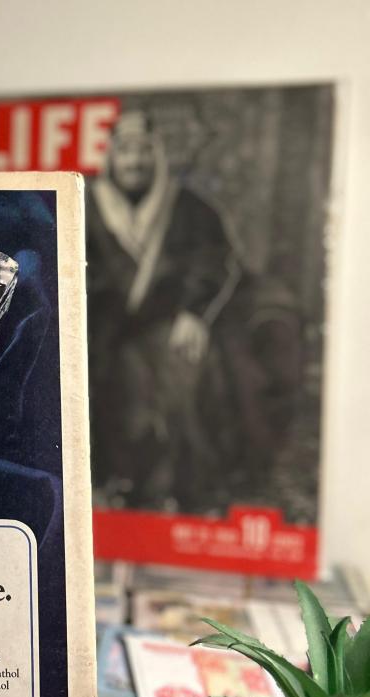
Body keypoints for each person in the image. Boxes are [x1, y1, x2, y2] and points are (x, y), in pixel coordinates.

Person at [85, 110, 240, 510]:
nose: (134, 162)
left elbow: (215, 261)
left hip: (168, 325)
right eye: (125, 152)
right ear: (111, 157)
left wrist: (195, 313)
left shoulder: (188, 207)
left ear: (156, 156)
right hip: (100, 332)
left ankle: (180, 494)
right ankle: (111, 484)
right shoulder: (84, 206)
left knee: (181, 382)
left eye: (143, 152)